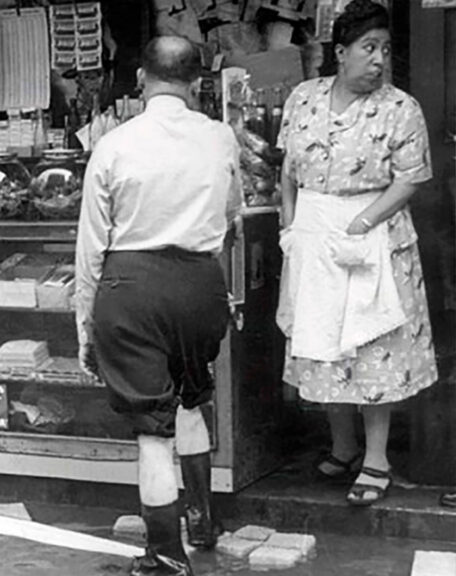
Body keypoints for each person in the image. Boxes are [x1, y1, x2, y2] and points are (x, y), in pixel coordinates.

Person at [76, 36, 241, 576]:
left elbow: (91, 247)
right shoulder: (221, 139)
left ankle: (165, 556)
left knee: (153, 428)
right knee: (190, 398)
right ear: (197, 83)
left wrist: (85, 326)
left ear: (141, 80)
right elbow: (232, 215)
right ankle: (202, 518)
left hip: (133, 288)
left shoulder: (114, 144)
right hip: (199, 283)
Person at [276, 0, 437, 507]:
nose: (379, 60)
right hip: (316, 233)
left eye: (385, 50)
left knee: (371, 346)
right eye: (369, 48)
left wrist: (363, 221)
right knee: (326, 343)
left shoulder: (400, 107)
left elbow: (411, 177)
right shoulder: (304, 98)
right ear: (340, 52)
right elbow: (288, 169)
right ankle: (342, 446)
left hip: (375, 234)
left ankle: (376, 458)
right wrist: (289, 222)